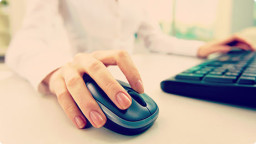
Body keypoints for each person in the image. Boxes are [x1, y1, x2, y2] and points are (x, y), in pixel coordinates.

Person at [5, 0, 254, 129]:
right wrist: (57, 69)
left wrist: (202, 48)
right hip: (86, 82)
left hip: (136, 81)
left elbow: (154, 38)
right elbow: (25, 41)